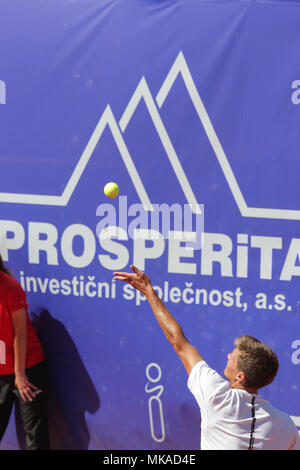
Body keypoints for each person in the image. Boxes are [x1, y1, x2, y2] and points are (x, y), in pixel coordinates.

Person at [113, 265, 300, 450]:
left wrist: (149, 292)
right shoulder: (286, 426)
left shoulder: (216, 395)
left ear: (240, 377)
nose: (228, 355)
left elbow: (178, 342)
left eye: (233, 357)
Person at [0, 255, 50, 450]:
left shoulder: (9, 286)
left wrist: (20, 375)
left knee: (35, 439)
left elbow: (20, 334)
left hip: (27, 368)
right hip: (2, 372)